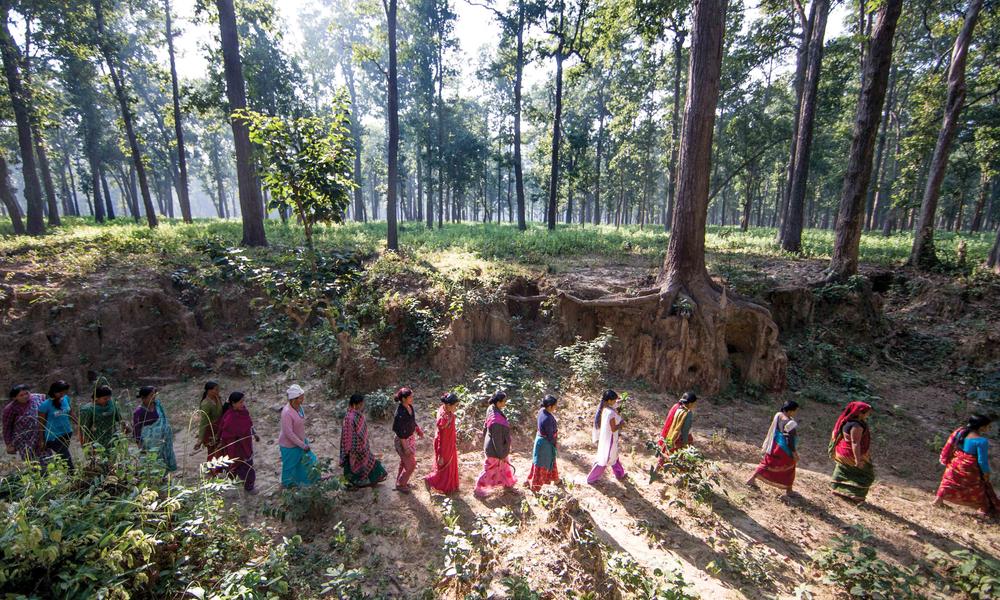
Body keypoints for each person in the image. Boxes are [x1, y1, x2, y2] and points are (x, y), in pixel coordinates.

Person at [934, 414, 997, 516]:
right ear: (981, 427)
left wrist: (945, 459)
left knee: (948, 482)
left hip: (955, 462)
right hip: (970, 467)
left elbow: (949, 445)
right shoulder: (981, 441)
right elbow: (982, 460)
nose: (989, 429)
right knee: (979, 487)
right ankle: (983, 509)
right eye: (988, 426)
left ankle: (938, 500)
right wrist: (986, 473)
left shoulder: (960, 431)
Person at [747, 400, 800, 496]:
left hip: (775, 446)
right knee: (790, 468)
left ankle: (751, 479)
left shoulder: (779, 415)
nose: (795, 413)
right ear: (790, 411)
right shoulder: (789, 423)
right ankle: (789, 489)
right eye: (794, 411)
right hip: (785, 450)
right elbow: (789, 440)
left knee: (767, 463)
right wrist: (794, 453)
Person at [829, 401, 874, 504]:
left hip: (841, 452)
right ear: (860, 413)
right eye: (867, 412)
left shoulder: (846, 421)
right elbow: (855, 443)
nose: (868, 414)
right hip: (850, 455)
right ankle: (856, 495)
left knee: (843, 470)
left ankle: (837, 489)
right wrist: (858, 460)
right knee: (867, 475)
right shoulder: (856, 426)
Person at [340, 393, 388, 488]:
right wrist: (354, 448)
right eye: (361, 404)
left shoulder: (356, 415)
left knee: (364, 461)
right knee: (357, 463)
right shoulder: (350, 418)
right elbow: (349, 435)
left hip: (361, 444)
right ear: (355, 404)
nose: (362, 406)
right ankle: (353, 483)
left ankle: (367, 479)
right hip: (354, 447)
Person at [475, 391, 517, 498]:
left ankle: (507, 484)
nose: (505, 403)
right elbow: (496, 439)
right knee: (490, 470)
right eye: (504, 401)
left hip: (496, 447)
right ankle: (479, 488)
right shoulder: (496, 420)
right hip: (496, 450)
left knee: (503, 467)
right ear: (498, 402)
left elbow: (485, 427)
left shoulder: (491, 409)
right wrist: (501, 454)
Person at [279, 384, 320, 488]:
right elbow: (289, 434)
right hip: (290, 446)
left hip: (301, 441)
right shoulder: (286, 413)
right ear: (294, 399)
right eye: (301, 397)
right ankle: (287, 486)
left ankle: (309, 480)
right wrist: (302, 445)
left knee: (309, 461)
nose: (303, 398)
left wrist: (303, 441)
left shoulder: (300, 408)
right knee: (290, 467)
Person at [217, 391, 258, 493]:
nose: (242, 404)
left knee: (248, 466)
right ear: (233, 403)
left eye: (243, 401)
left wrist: (254, 433)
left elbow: (249, 423)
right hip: (236, 449)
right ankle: (247, 487)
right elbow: (225, 436)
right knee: (241, 467)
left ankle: (248, 486)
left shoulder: (244, 411)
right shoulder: (230, 418)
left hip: (246, 445)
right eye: (240, 402)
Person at [133, 386, 177, 471]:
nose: (153, 397)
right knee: (153, 461)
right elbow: (137, 429)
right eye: (151, 395)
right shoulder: (138, 412)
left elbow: (164, 420)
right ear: (143, 398)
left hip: (163, 440)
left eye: (154, 395)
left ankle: (165, 477)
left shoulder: (157, 405)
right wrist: (139, 444)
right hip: (150, 444)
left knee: (164, 459)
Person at [3, 385, 50, 462]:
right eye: (21, 395)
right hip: (24, 440)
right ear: (14, 398)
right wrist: (9, 444)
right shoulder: (10, 409)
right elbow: (7, 427)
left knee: (46, 458)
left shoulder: (40, 398)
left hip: (41, 435)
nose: (25, 396)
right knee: (31, 461)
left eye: (27, 393)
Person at [425, 392, 461, 494]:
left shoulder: (444, 409)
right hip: (444, 445)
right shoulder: (445, 420)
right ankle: (431, 480)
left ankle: (451, 486)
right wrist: (440, 454)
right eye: (455, 406)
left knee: (451, 464)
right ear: (449, 405)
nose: (456, 408)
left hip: (449, 443)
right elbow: (442, 438)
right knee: (445, 467)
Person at [588, 389, 626, 484]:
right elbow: (613, 428)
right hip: (610, 440)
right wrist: (621, 424)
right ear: (609, 401)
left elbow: (617, 405)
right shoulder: (611, 413)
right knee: (605, 459)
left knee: (613, 457)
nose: (615, 402)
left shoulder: (605, 409)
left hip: (607, 439)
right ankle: (591, 478)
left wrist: (621, 401)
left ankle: (620, 474)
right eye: (614, 400)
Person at [391, 387, 424, 493]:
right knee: (411, 465)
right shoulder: (400, 414)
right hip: (402, 441)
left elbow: (412, 421)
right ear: (404, 399)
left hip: (409, 438)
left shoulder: (409, 407)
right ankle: (401, 484)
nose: (412, 398)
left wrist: (418, 429)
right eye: (410, 397)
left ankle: (400, 482)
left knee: (405, 462)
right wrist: (406, 448)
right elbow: (400, 434)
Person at [526, 395, 560, 492]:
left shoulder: (542, 411)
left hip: (540, 441)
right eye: (555, 405)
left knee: (548, 462)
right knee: (542, 465)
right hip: (545, 444)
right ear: (550, 406)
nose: (556, 407)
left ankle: (556, 480)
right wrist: (554, 443)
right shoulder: (548, 418)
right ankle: (535, 487)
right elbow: (550, 435)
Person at [37, 381, 75, 470]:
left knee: (63, 457)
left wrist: (79, 424)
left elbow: (71, 413)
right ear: (54, 392)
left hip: (67, 432)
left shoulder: (66, 399)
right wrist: (42, 440)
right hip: (54, 436)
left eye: (64, 392)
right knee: (67, 458)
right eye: (60, 392)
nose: (62, 394)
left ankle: (64, 473)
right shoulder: (45, 405)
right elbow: (41, 424)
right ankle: (73, 476)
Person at [78, 385, 127, 450]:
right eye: (105, 398)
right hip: (97, 443)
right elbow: (82, 430)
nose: (108, 400)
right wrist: (85, 447)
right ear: (96, 398)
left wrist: (125, 428)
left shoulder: (112, 404)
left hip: (113, 439)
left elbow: (120, 419)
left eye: (109, 398)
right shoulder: (88, 409)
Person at [657, 392, 698, 469]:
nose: (695, 405)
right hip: (678, 437)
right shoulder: (687, 413)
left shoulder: (676, 407)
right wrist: (686, 444)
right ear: (690, 404)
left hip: (670, 434)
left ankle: (658, 467)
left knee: (667, 451)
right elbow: (685, 431)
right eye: (694, 403)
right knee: (683, 455)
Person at [193, 381, 223, 464]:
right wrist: (200, 439)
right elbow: (203, 422)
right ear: (209, 391)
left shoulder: (217, 398)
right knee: (212, 451)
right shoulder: (206, 404)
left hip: (219, 428)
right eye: (216, 390)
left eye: (218, 389)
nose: (218, 391)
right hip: (211, 431)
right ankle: (211, 471)